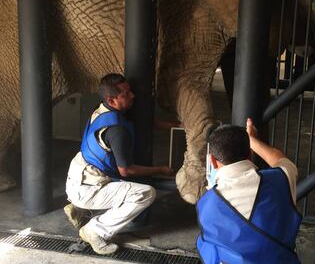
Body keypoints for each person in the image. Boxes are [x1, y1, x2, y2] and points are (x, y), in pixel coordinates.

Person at [64, 73, 174, 255]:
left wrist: (176, 125)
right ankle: (94, 231)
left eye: (130, 90)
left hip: (80, 175)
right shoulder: (116, 131)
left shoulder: (102, 110)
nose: (133, 96)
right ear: (112, 99)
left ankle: (81, 210)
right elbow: (126, 170)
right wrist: (161, 169)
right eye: (126, 93)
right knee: (145, 193)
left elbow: (149, 123)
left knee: (118, 181)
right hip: (88, 187)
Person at [196, 118, 302, 264]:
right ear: (250, 155)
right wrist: (252, 140)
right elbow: (281, 160)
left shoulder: (207, 204)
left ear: (212, 161)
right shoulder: (282, 179)